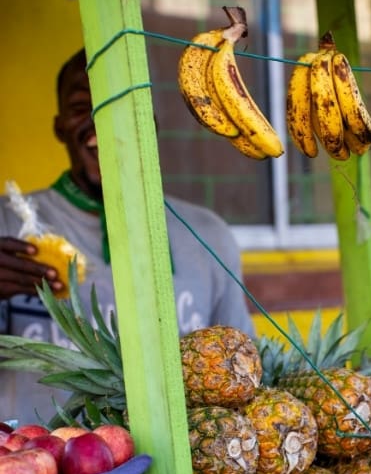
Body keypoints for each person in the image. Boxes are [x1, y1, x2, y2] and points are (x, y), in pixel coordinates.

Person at [0, 48, 256, 424]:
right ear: (60, 127)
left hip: (180, 470)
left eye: (118, 104)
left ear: (148, 122)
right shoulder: (7, 225)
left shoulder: (207, 236)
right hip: (37, 470)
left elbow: (244, 373)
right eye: (81, 105)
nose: (101, 120)